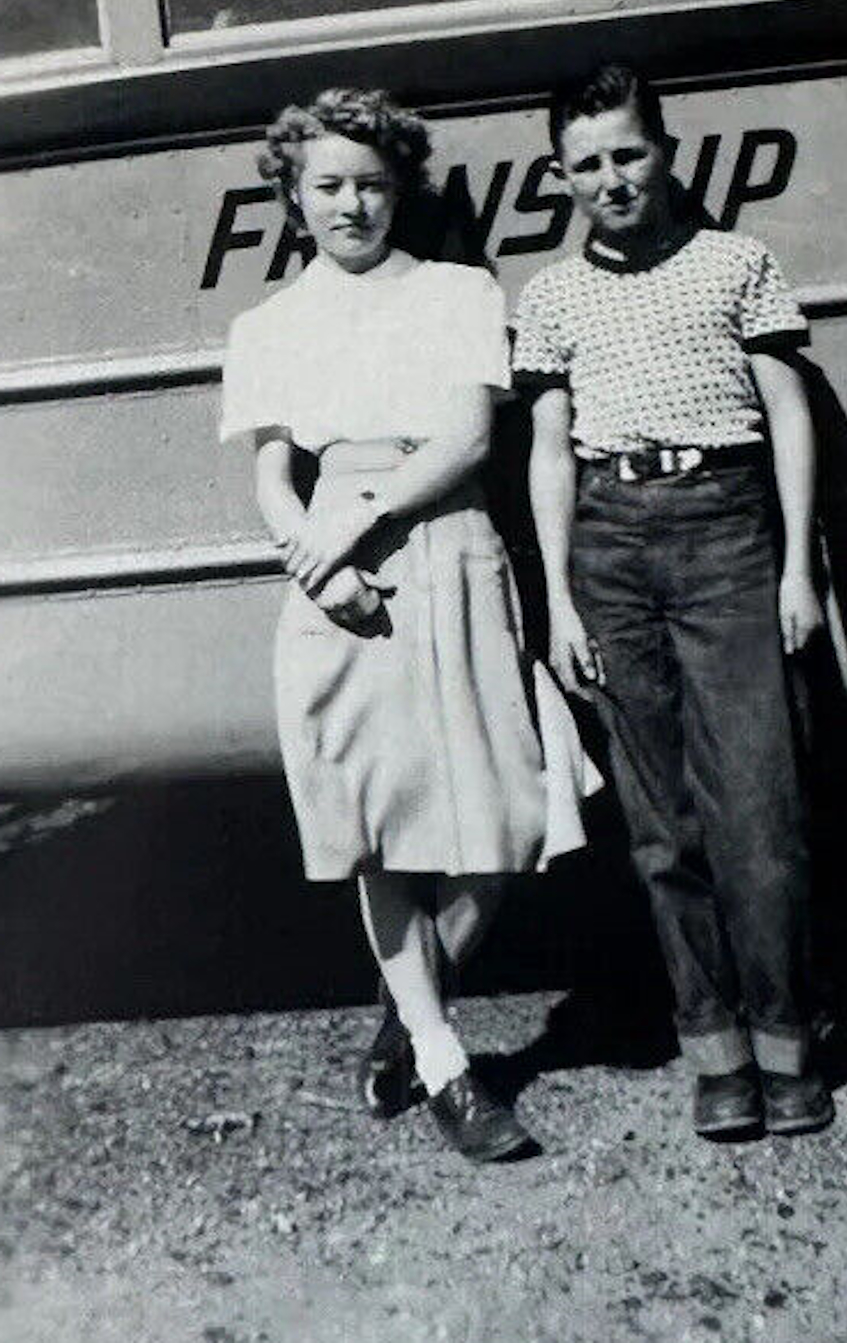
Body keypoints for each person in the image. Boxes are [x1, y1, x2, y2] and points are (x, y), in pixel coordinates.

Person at [220, 86, 599, 1164]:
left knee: (513, 809)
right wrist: (316, 561)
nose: (352, 204)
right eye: (329, 185)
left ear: (401, 192)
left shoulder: (456, 290)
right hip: (338, 580)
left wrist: (360, 521)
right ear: (294, 196)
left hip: (451, 546)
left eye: (372, 184)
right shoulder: (267, 326)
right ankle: (445, 1063)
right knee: (377, 826)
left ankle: (406, 1005)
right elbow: (274, 475)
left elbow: (470, 436)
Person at [513, 62, 833, 1141]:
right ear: (561, 176)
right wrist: (559, 601)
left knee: (761, 814)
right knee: (661, 827)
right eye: (586, 163)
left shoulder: (738, 262)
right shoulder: (550, 296)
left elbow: (790, 415)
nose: (611, 178)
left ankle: (787, 1042)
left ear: (665, 150)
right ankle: (717, 1053)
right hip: (610, 547)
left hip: (727, 530)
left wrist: (797, 568)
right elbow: (549, 453)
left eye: (628, 153)